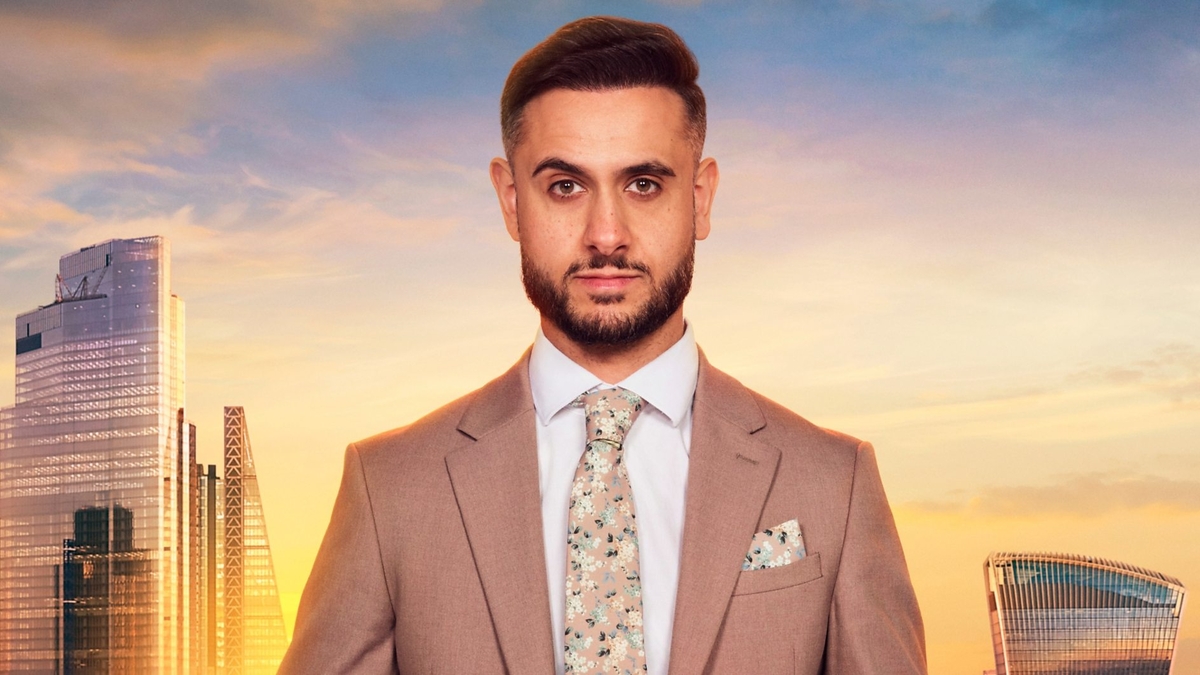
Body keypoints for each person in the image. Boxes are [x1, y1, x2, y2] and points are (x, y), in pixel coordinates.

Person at [280, 15, 925, 675]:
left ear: (700, 198)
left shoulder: (833, 483)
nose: (606, 234)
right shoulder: (390, 488)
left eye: (644, 184)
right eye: (566, 186)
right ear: (510, 200)